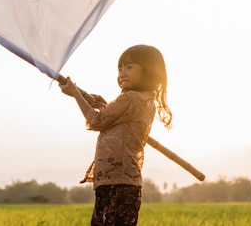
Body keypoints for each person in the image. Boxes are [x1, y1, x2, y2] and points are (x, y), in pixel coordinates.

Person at [59, 44, 172, 226]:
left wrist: (75, 94)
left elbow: (96, 121)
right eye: (120, 69)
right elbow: (115, 117)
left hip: (117, 183)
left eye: (129, 67)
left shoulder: (130, 98)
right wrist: (105, 106)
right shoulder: (145, 99)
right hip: (120, 181)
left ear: (149, 71)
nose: (122, 73)